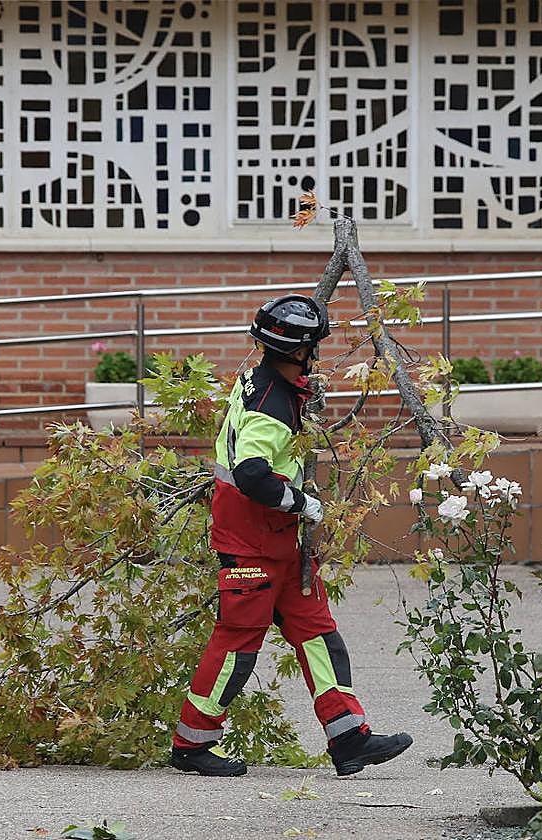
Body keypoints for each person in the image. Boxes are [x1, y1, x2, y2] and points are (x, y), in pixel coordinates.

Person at [170, 294, 413, 777]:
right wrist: (302, 503)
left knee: (319, 636)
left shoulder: (263, 380)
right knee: (237, 646)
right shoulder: (272, 407)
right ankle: (191, 744)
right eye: (313, 348)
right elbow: (251, 473)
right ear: (300, 351)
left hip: (279, 543)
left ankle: (348, 738)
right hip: (250, 545)